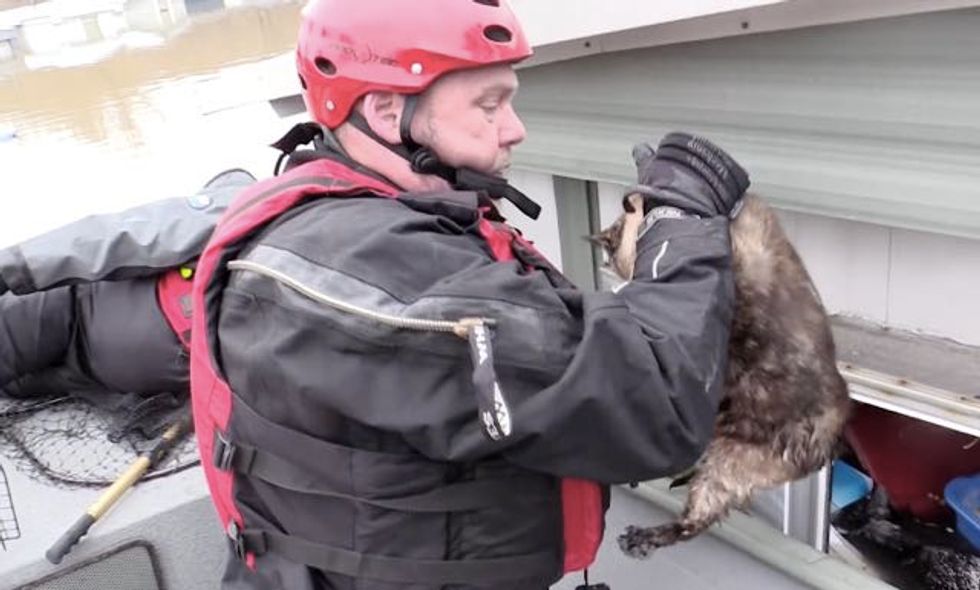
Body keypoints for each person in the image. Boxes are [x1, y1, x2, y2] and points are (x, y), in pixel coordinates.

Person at [189, 1, 749, 589]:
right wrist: (681, 224)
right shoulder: (385, 272)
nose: (515, 128)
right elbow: (653, 404)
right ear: (385, 111)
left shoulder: (345, 214)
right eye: (489, 105)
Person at [0, 169, 254, 407]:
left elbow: (131, 235)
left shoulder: (249, 200)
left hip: (82, 311)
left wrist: (10, 266)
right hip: (122, 373)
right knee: (19, 384)